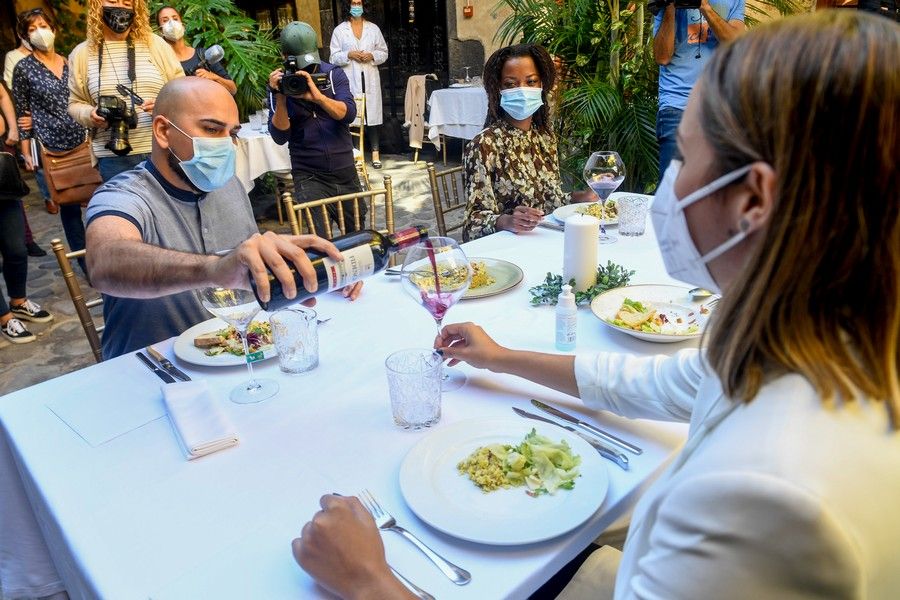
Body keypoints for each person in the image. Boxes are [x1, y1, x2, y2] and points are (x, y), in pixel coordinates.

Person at [291, 11, 900, 598]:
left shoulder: (761, 501)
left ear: (753, 201)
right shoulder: (807, 339)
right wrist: (503, 357)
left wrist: (369, 581)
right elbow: (659, 383)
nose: (666, 186)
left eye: (683, 157)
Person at [85, 77, 362, 359]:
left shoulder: (229, 185)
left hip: (235, 360)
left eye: (232, 134)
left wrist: (310, 274)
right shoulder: (123, 195)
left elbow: (249, 269)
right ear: (163, 131)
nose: (227, 145)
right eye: (212, 129)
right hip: (152, 373)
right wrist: (213, 270)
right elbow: (105, 260)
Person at [462, 44, 594, 242]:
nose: (522, 90)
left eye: (531, 81)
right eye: (510, 84)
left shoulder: (544, 138)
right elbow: (472, 226)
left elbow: (551, 202)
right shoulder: (484, 145)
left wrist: (580, 197)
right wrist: (507, 221)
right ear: (498, 89)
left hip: (544, 242)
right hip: (508, 251)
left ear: (542, 85)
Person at [68, 0, 184, 182]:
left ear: (136, 8)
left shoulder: (156, 45)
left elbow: (183, 91)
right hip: (113, 158)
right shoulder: (82, 53)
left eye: (127, 3)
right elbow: (74, 103)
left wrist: (164, 104)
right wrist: (90, 114)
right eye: (113, 1)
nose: (120, 7)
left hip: (162, 149)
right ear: (97, 6)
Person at [268, 21, 365, 237]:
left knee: (358, 234)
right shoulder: (280, 84)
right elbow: (280, 136)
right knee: (319, 238)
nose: (306, 70)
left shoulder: (332, 74)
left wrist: (319, 97)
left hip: (344, 170)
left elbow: (348, 114)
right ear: (285, 57)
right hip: (309, 176)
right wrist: (281, 97)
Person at [13, 8, 90, 270]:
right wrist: (26, 152)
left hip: (83, 141)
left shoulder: (70, 61)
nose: (39, 33)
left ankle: (106, 254)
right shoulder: (23, 69)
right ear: (25, 37)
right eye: (32, 29)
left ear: (53, 29)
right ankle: (85, 264)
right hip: (53, 148)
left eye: (43, 26)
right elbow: (22, 113)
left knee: (96, 200)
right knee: (69, 210)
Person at [653, 0, 744, 180]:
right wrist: (670, 8)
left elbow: (737, 44)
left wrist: (705, 7)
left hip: (719, 107)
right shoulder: (665, 4)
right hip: (676, 105)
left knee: (716, 190)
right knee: (672, 190)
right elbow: (662, 57)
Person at [329, 0, 388, 169]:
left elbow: (384, 52)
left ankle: (375, 154)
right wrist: (349, 54)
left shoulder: (373, 29)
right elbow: (332, 57)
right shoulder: (340, 30)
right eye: (354, 2)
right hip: (351, 78)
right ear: (349, 6)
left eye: (359, 2)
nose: (357, 5)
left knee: (373, 116)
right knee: (353, 115)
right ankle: (357, 153)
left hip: (369, 77)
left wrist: (372, 55)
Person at [155, 6, 237, 95]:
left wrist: (213, 77)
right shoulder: (163, 61)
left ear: (183, 25)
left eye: (175, 18)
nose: (172, 23)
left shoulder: (203, 55)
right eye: (165, 20)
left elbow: (232, 89)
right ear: (160, 31)